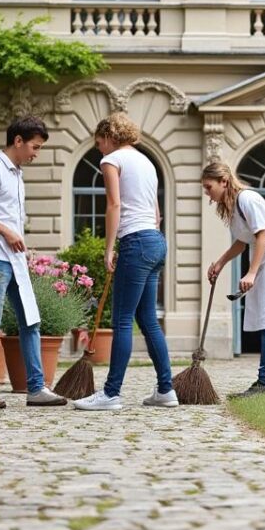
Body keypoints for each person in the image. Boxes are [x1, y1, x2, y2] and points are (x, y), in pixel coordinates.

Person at [73, 113, 175, 411]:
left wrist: (109, 248)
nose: (99, 149)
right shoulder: (147, 162)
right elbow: (156, 214)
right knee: (147, 320)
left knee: (121, 321)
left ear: (108, 135)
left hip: (136, 242)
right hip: (156, 242)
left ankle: (111, 393)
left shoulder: (112, 160)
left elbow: (114, 205)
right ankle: (166, 390)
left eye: (99, 143)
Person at [0, 115, 67, 408]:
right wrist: (8, 232)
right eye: (35, 147)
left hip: (15, 260)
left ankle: (36, 388)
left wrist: (18, 237)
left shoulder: (17, 174)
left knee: (30, 321)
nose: (36, 153)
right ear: (18, 141)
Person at [201, 162, 265, 397]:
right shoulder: (231, 206)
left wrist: (252, 272)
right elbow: (243, 241)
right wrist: (221, 262)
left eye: (208, 186)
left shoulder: (247, 199)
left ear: (224, 182)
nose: (207, 192)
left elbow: (263, 235)